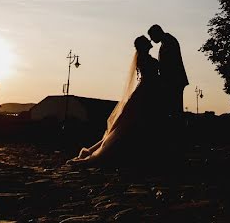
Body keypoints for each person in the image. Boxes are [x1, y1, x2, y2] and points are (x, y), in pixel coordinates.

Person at [69, 36, 162, 165]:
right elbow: (151, 75)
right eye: (147, 41)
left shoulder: (142, 57)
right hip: (146, 91)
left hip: (145, 90)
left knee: (128, 122)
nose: (150, 42)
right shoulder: (145, 58)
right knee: (129, 123)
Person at [147, 24, 188, 115]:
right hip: (173, 80)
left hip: (174, 80)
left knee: (175, 108)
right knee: (173, 107)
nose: (152, 40)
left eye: (152, 37)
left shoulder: (168, 41)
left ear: (156, 33)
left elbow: (169, 62)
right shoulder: (167, 40)